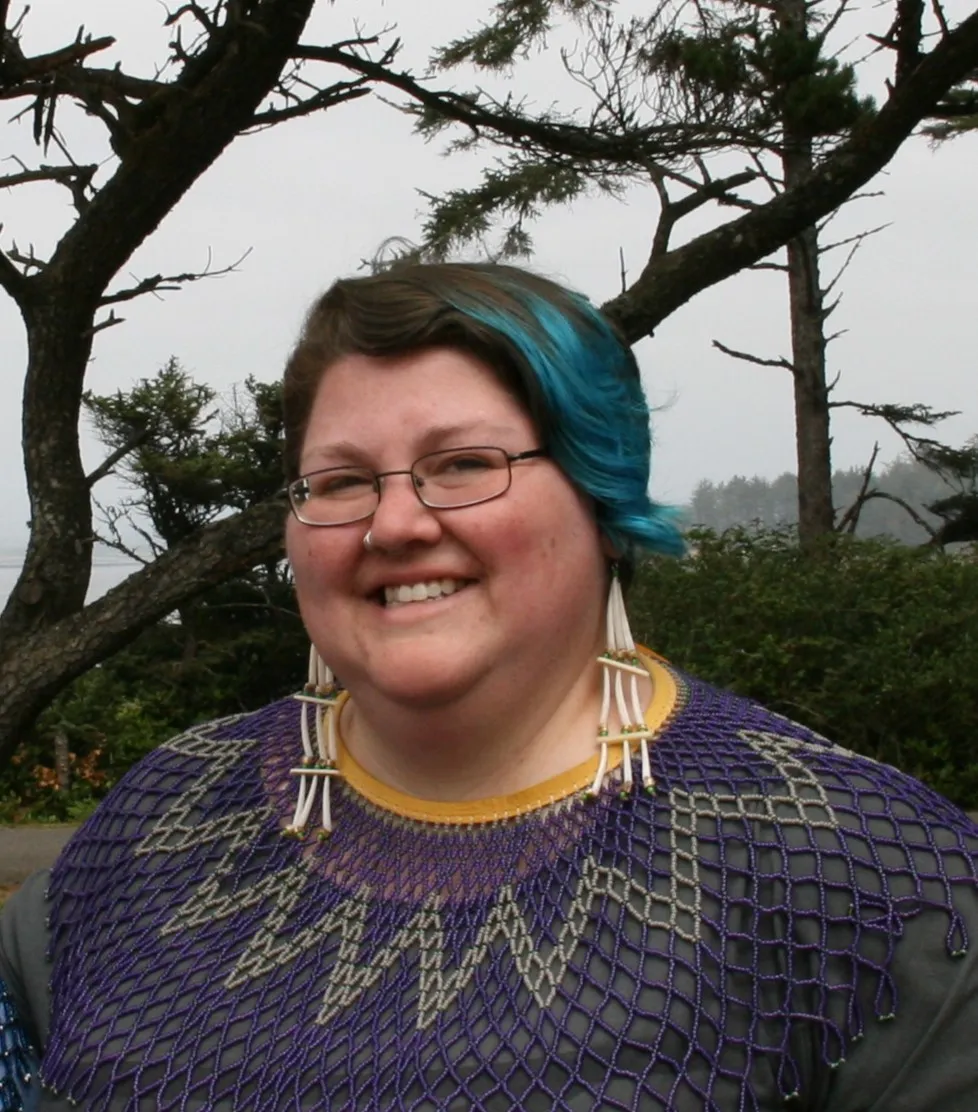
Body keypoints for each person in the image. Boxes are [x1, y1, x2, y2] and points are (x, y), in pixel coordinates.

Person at [1, 262, 977, 1112]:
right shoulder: (159, 823)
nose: (393, 523)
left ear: (604, 497)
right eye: (338, 480)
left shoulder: (862, 879)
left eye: (463, 464)